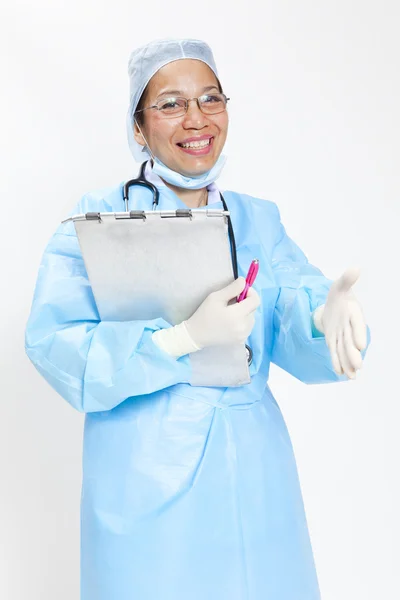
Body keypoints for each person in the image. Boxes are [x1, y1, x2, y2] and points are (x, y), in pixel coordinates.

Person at [25, 38, 369, 600]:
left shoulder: (256, 219)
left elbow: (291, 310)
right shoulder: (97, 223)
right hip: (145, 477)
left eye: (211, 98)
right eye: (170, 103)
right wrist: (180, 340)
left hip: (254, 475)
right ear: (138, 127)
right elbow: (57, 345)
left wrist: (321, 318)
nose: (196, 118)